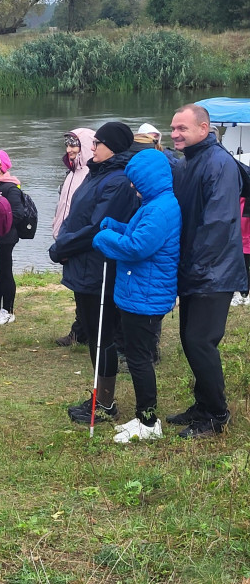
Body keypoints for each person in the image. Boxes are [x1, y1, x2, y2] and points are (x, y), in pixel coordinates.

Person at [49, 121, 138, 425]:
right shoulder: (96, 172)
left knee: (102, 337)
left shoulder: (116, 180)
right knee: (94, 335)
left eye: (99, 142)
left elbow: (97, 226)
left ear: (113, 146)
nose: (93, 146)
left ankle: (106, 403)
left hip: (98, 267)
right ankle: (99, 395)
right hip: (83, 265)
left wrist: (63, 247)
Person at [167, 103, 247, 438]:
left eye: (182, 129)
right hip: (194, 269)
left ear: (204, 129)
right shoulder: (192, 161)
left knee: (201, 341)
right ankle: (203, 403)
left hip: (213, 271)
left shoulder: (218, 163)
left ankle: (216, 415)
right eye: (172, 128)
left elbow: (218, 223)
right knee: (190, 339)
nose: (175, 134)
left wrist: (194, 267)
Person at [92, 149, 180, 443]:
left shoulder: (158, 209)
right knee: (136, 354)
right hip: (141, 291)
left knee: (139, 359)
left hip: (146, 295)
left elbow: (137, 247)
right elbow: (136, 233)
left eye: (136, 181)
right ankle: (145, 416)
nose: (133, 187)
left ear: (148, 180)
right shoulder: (157, 203)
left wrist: (105, 238)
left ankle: (148, 421)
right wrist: (115, 227)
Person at [53, 128, 96, 347]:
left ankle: (83, 331)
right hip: (67, 239)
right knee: (77, 289)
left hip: (79, 241)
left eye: (74, 145)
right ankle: (82, 331)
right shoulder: (72, 173)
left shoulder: (90, 175)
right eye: (68, 145)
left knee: (84, 290)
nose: (69, 150)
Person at [0, 151, 26, 326]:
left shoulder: (10, 187)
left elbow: (18, 213)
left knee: (5, 272)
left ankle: (9, 310)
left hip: (6, 238)